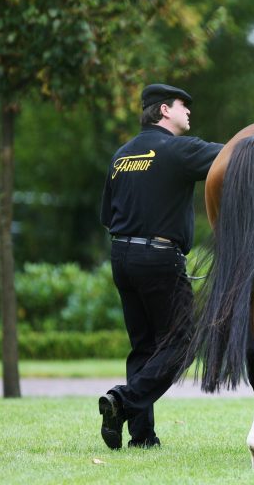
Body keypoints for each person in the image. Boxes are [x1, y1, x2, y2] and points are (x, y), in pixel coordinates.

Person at [98, 83, 223, 449]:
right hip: (159, 258)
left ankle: (141, 436)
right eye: (184, 105)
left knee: (144, 346)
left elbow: (107, 215)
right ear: (164, 110)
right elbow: (238, 153)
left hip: (122, 256)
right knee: (183, 342)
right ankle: (122, 401)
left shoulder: (121, 156)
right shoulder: (178, 150)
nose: (189, 112)